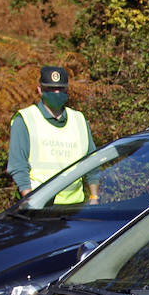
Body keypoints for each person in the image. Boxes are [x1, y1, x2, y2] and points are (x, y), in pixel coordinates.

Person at [7, 65, 97, 203]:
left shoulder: (78, 119)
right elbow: (18, 165)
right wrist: (30, 201)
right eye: (50, 88)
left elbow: (92, 162)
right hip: (38, 206)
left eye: (60, 89)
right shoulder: (25, 119)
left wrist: (94, 196)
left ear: (67, 90)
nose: (56, 92)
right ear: (40, 90)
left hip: (75, 207)